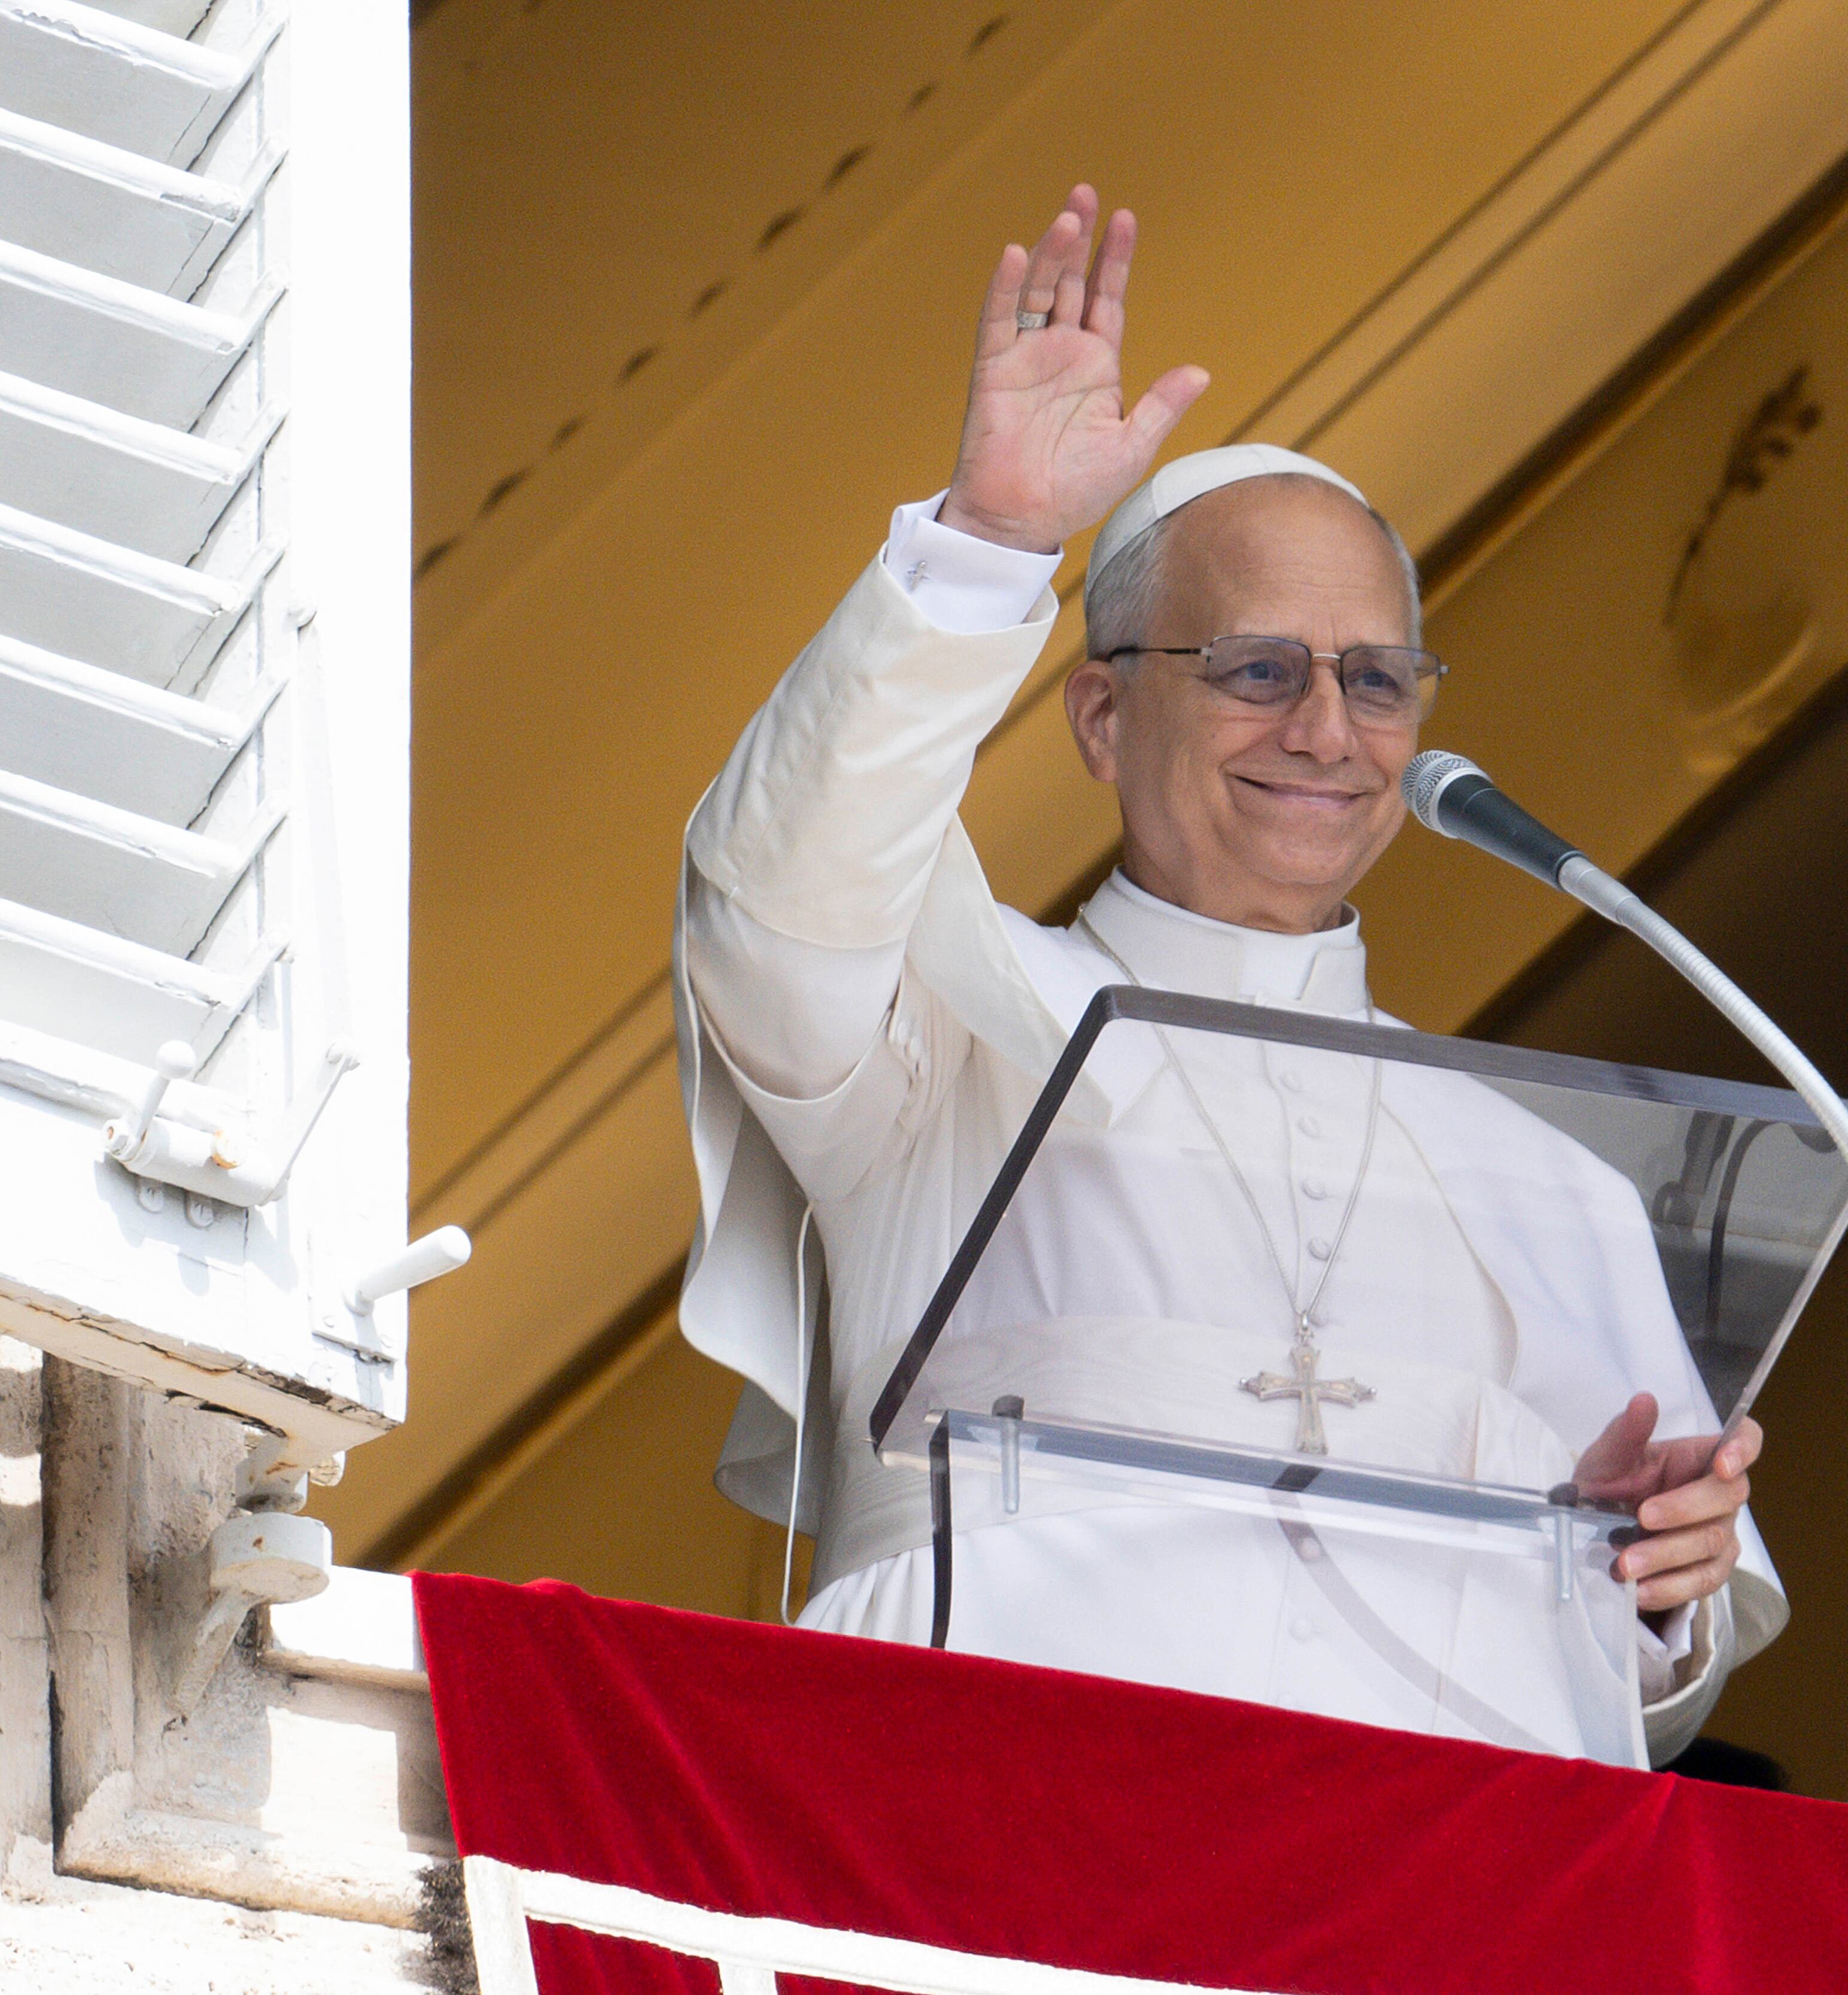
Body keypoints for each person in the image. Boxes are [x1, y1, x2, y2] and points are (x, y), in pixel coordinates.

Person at [674, 185, 1782, 1765]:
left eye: (1377, 682)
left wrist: (1657, 1580)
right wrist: (991, 543)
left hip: (1432, 1904)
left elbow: (1651, 1667)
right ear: (1106, 720)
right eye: (1258, 669)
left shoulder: (1549, 1187)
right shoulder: (950, 1038)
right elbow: (783, 895)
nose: (1328, 733)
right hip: (1009, 1832)